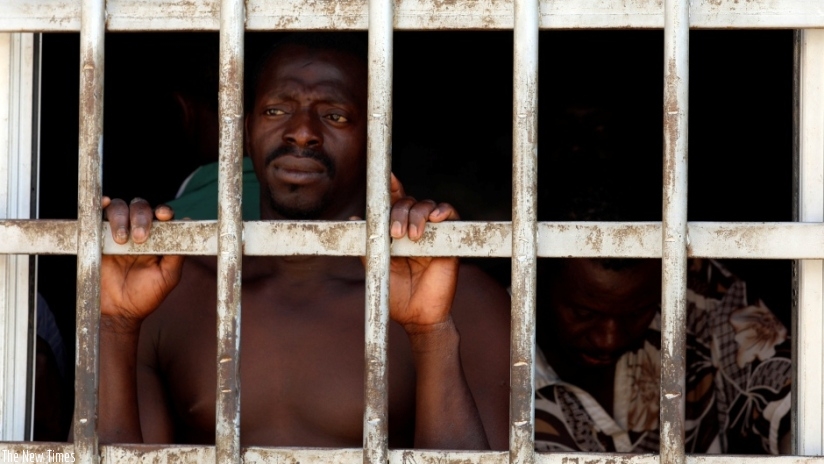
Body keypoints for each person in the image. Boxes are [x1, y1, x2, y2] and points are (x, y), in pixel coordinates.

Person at [97, 33, 511, 449]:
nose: (300, 133)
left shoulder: (462, 298)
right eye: (276, 110)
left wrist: (430, 331)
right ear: (244, 131)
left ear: (376, 137)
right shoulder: (173, 293)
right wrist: (116, 325)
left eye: (335, 116)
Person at [533, 157, 791, 454]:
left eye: (637, 312)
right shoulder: (494, 345)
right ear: (538, 278)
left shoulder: (697, 294)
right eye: (584, 314)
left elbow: (791, 399)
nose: (609, 338)